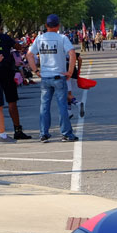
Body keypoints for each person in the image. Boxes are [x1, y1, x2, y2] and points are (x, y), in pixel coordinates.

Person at [26, 14, 78, 143]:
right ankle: (66, 133)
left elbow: (29, 54)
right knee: (62, 106)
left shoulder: (40, 38)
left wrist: (36, 70)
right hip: (59, 75)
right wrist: (70, 71)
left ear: (46, 25)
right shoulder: (62, 38)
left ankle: (43, 133)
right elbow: (72, 53)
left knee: (44, 106)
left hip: (45, 76)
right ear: (58, 25)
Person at [0, 14, 31, 140]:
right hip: (6, 71)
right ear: (0, 25)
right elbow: (18, 47)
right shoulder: (5, 38)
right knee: (12, 101)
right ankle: (17, 129)